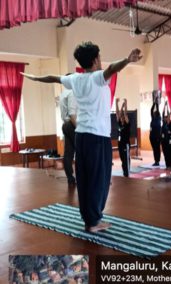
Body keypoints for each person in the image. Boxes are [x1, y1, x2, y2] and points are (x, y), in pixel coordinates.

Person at [22, 42, 142, 232]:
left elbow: (53, 77)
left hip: (82, 136)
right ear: (95, 60)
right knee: (100, 179)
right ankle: (94, 222)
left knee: (85, 178)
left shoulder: (75, 79)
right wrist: (128, 59)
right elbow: (112, 68)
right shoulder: (97, 78)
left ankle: (89, 219)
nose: (101, 61)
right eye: (100, 57)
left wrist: (36, 78)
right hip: (97, 137)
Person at [59, 81, 77, 186]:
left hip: (65, 125)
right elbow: (72, 114)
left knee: (68, 153)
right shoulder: (72, 93)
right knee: (80, 152)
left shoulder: (63, 94)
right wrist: (78, 128)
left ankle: (70, 178)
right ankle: (83, 177)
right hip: (72, 125)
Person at [116, 98, 131, 177]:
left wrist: (125, 104)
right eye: (121, 118)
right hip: (120, 144)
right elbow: (118, 113)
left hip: (126, 144)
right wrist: (117, 104)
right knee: (122, 158)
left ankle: (127, 172)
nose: (122, 118)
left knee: (126, 159)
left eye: (123, 118)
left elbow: (125, 114)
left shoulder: (127, 124)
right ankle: (124, 171)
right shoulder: (119, 124)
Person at [150, 97, 161, 166]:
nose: (153, 113)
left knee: (157, 148)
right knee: (154, 149)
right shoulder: (153, 118)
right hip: (152, 136)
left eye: (154, 113)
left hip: (157, 136)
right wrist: (154, 102)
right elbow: (151, 110)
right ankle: (156, 161)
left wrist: (156, 103)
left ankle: (157, 161)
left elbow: (157, 109)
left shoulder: (158, 118)